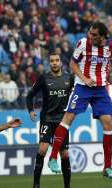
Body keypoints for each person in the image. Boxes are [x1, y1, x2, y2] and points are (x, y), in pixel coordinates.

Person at [47, 21, 112, 179]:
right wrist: (84, 78)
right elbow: (73, 63)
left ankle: (107, 167)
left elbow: (110, 59)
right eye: (90, 33)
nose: (90, 36)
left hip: (100, 89)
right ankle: (52, 157)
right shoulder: (83, 44)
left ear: (103, 36)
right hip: (82, 86)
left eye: (94, 35)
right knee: (68, 118)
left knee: (108, 122)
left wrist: (102, 74)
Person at [26, 53, 73, 188]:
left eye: (57, 60)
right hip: (47, 118)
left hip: (62, 121)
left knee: (64, 154)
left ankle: (67, 186)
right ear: (49, 63)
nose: (54, 63)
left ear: (60, 62)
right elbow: (30, 96)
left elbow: (76, 94)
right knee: (42, 150)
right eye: (52, 61)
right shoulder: (43, 78)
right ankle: (36, 185)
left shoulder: (69, 78)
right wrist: (31, 110)